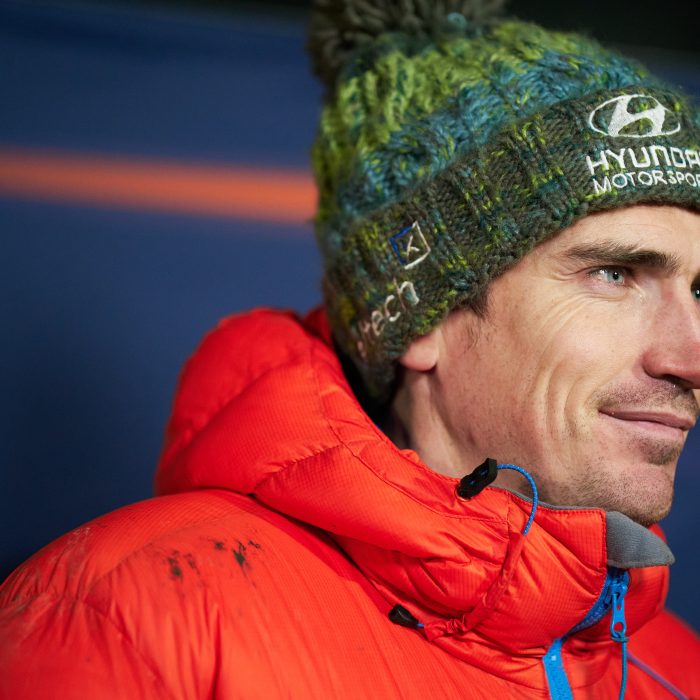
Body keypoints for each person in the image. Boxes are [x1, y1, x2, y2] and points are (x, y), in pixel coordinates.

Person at [1, 1, 699, 697]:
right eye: (614, 274)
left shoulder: (678, 665)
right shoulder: (125, 625)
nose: (689, 359)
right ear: (423, 319)